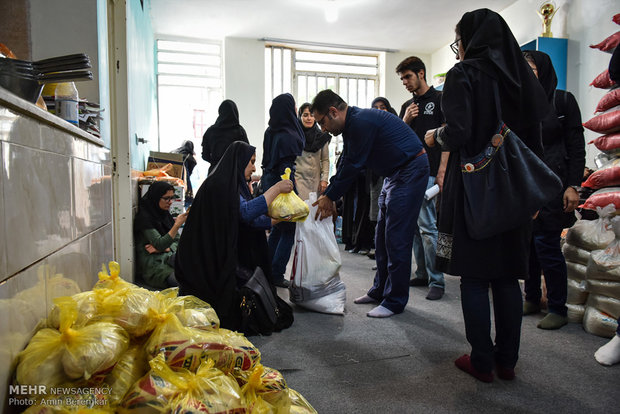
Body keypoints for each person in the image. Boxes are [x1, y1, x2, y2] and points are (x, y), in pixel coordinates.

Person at [424, 9, 550, 382]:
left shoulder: (464, 74)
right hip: (515, 191)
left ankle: (481, 361)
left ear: (471, 40)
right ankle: (506, 361)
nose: (458, 48)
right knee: (508, 278)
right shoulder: (521, 77)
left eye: (458, 40)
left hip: (474, 188)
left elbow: (458, 132)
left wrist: (434, 137)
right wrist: (533, 196)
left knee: (476, 278)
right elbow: (535, 141)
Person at [312, 89, 429, 318]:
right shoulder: (353, 124)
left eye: (322, 122)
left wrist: (331, 195)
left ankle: (395, 301)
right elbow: (347, 160)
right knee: (381, 237)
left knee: (396, 238)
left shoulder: (360, 122)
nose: (323, 129)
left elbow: (354, 164)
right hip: (394, 174)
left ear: (333, 112)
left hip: (410, 169)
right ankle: (379, 291)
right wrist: (331, 193)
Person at [175, 141, 294, 331]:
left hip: (215, 254)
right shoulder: (220, 185)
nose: (254, 167)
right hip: (204, 261)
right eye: (251, 162)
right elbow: (245, 212)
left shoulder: (232, 183)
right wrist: (276, 190)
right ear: (239, 161)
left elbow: (246, 218)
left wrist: (276, 220)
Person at [521, 50, 586, 330]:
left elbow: (576, 146)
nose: (526, 75)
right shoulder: (521, 103)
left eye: (531, 69)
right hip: (528, 184)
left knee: (547, 246)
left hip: (556, 183)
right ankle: (532, 297)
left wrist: (574, 186)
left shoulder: (563, 100)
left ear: (544, 70)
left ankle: (558, 307)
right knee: (529, 246)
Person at [396, 56, 448, 300]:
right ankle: (423, 273)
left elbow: (449, 138)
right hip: (409, 174)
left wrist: (442, 172)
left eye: (408, 76)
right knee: (415, 229)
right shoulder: (408, 105)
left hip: (430, 172)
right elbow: (396, 139)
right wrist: (406, 119)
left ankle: (437, 280)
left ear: (421, 73)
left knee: (429, 229)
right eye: (402, 78)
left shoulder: (440, 100)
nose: (405, 82)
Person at [261, 93, 305, 288]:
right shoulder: (288, 133)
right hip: (282, 181)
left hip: (269, 180)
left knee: (277, 227)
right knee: (288, 228)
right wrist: (291, 191)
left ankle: (266, 270)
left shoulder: (271, 130)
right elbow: (286, 168)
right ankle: (277, 273)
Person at [134, 181, 188, 289]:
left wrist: (167, 249)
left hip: (168, 258)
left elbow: (178, 240)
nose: (170, 202)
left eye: (172, 198)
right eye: (166, 198)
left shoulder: (164, 215)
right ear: (155, 197)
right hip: (156, 267)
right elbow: (159, 244)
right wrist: (176, 225)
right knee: (185, 283)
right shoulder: (144, 219)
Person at [295, 102, 331, 201]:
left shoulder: (322, 136)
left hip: (316, 183)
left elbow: (325, 160)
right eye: (305, 115)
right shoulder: (294, 137)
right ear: (300, 117)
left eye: (312, 115)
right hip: (298, 183)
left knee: (314, 213)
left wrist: (324, 180)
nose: (309, 118)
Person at [202, 99, 249, 174]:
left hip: (214, 173)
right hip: (233, 174)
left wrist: (216, 162)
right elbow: (247, 153)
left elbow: (205, 155)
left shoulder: (210, 131)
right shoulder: (239, 131)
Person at [172, 140, 197, 204]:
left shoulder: (175, 152)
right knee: (185, 198)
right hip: (183, 179)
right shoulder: (190, 157)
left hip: (172, 178)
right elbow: (190, 172)